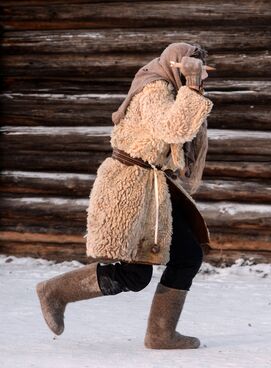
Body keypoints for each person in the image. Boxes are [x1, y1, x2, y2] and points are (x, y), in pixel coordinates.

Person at [36, 42, 214, 349]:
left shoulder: (170, 91)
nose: (198, 77)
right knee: (135, 274)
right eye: (191, 69)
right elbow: (173, 129)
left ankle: (160, 334)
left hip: (152, 185)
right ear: (176, 67)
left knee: (188, 255)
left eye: (200, 72)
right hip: (130, 185)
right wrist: (194, 87)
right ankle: (56, 292)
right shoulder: (154, 89)